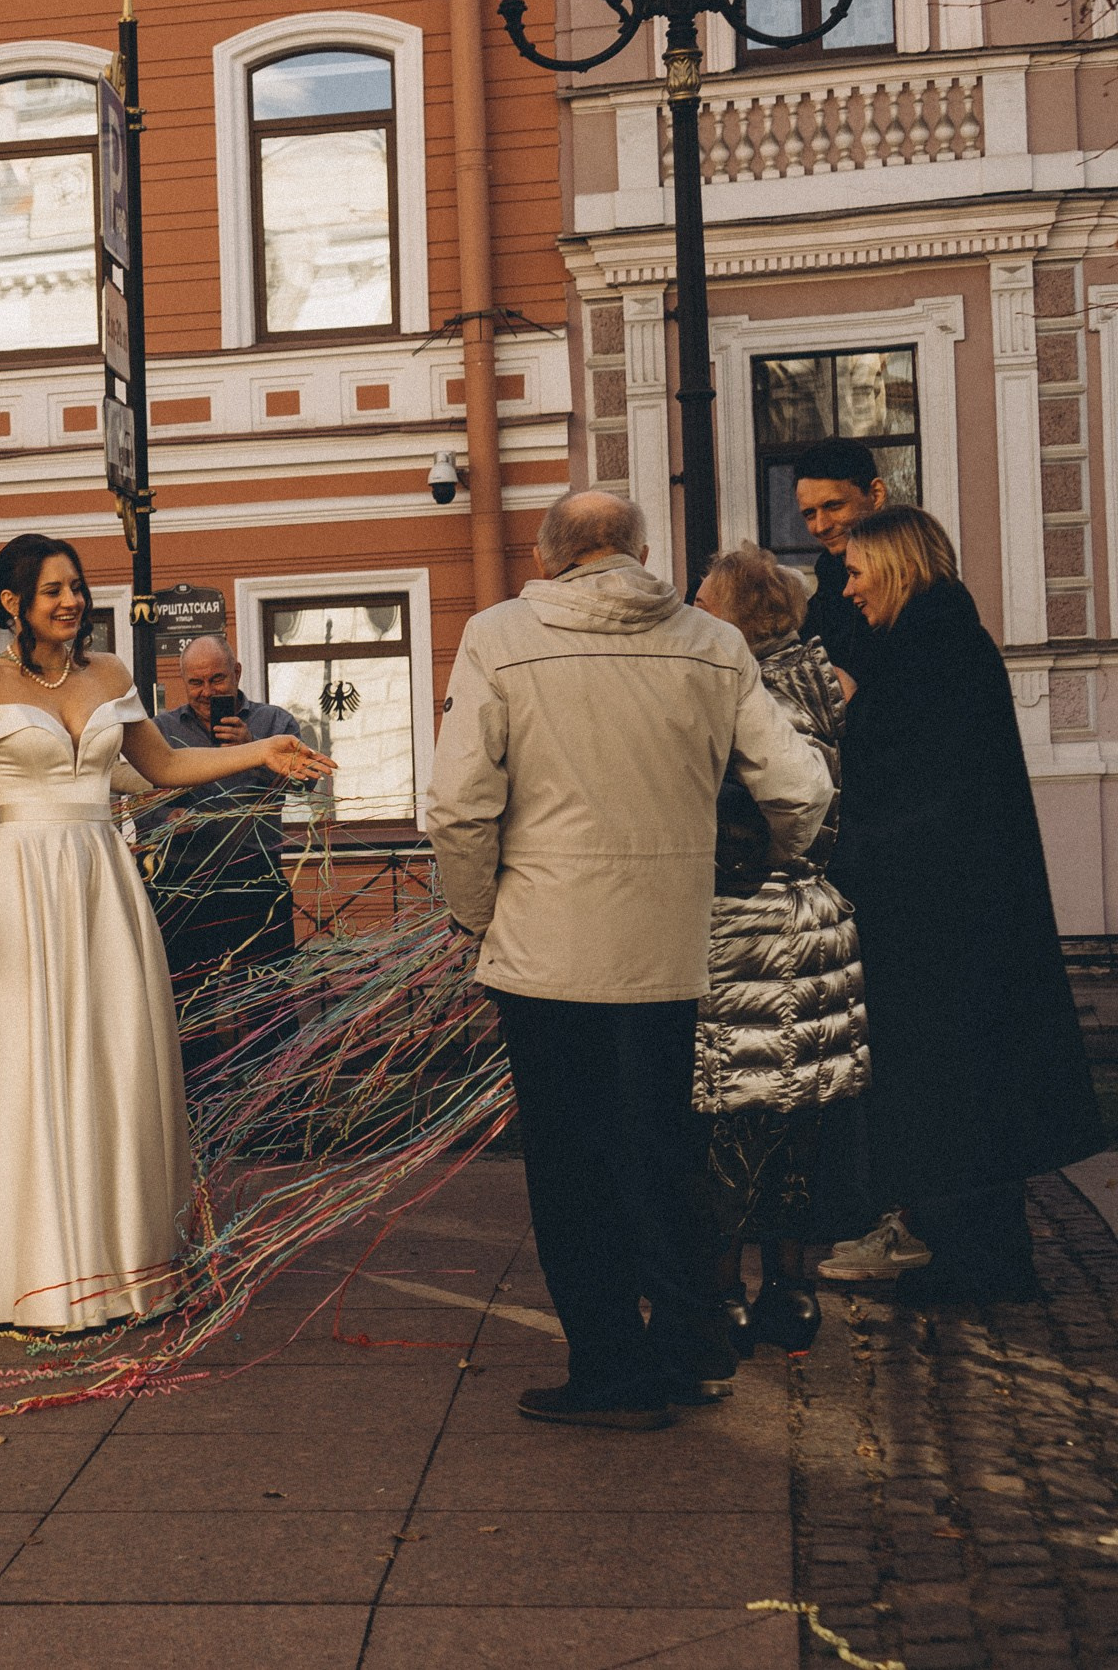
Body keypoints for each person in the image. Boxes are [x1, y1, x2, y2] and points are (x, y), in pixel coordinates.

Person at [427, 490, 831, 1430]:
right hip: (666, 945)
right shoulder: (711, 643)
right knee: (667, 1148)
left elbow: (456, 807)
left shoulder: (499, 636)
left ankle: (609, 1365)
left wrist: (480, 916)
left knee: (569, 1165)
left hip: (544, 949)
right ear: (644, 552)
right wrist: (774, 858)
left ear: (547, 554)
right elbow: (799, 785)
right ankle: (693, 1345)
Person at [0, 534, 334, 1333]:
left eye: (76, 587)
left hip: (103, 882)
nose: (71, 602)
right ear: (12, 602)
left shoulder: (111, 674)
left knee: (112, 1058)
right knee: (25, 1062)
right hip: (20, 885)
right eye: (52, 591)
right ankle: (11, 1268)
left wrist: (264, 750)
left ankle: (116, 1263)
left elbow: (164, 768)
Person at [812, 505, 1103, 1302]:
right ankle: (973, 1254)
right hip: (954, 912)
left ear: (897, 566)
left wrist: (850, 852)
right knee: (964, 1090)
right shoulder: (936, 645)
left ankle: (973, 1264)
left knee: (952, 1092)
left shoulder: (927, 653)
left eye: (859, 569)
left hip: (936, 919)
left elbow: (912, 792)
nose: (850, 585)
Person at [688, 547, 866, 1358]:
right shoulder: (827, 679)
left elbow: (744, 813)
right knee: (798, 1122)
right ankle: (791, 1294)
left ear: (729, 612)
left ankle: (720, 1294)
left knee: (729, 1117)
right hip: (816, 920)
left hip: (744, 924)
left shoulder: (736, 689)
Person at [148, 634, 304, 1062]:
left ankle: (271, 1107)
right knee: (189, 1007)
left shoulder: (275, 724)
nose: (207, 692)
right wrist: (166, 822)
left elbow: (302, 783)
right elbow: (142, 799)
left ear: (236, 674)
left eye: (217, 679)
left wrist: (253, 748)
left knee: (268, 1003)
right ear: (183, 683)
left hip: (256, 879)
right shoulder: (162, 731)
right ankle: (198, 1110)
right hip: (185, 886)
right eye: (195, 682)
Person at [787, 437, 886, 680]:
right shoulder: (828, 582)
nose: (821, 526)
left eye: (834, 506)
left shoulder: (917, 578)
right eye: (810, 514)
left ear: (876, 494)